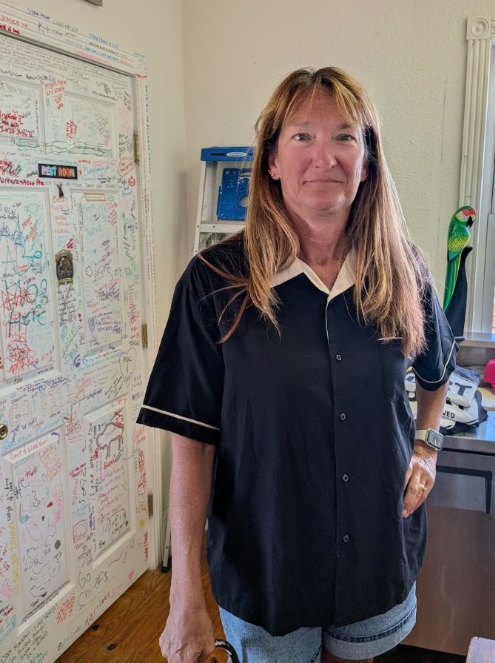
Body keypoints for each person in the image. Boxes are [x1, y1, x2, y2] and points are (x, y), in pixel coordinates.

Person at [138, 67, 455, 663]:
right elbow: (191, 447)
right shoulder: (214, 282)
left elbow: (437, 375)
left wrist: (427, 447)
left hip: (376, 553)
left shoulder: (404, 270)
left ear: (367, 162)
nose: (323, 157)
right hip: (266, 568)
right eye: (302, 136)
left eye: (344, 137)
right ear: (272, 162)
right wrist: (184, 597)